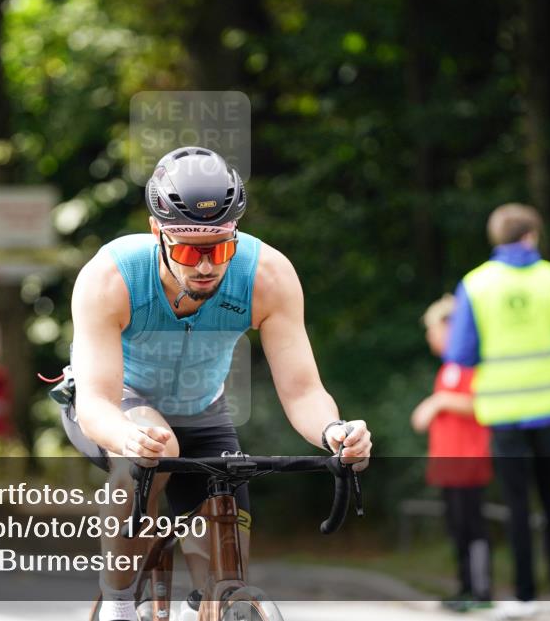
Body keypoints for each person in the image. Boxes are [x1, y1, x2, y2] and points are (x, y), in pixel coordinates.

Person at [60, 146, 372, 621]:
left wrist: (335, 432)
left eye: (221, 248)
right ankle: (117, 602)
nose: (206, 266)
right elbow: (96, 403)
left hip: (203, 412)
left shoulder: (267, 276)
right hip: (118, 407)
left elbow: (304, 392)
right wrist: (129, 438)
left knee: (223, 564)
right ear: (156, 231)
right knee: (155, 447)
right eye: (188, 250)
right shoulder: (111, 278)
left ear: (236, 234)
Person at [444, 203, 550, 620]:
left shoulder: (475, 284)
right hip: (549, 408)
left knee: (516, 505)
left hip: (503, 411)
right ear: (531, 235)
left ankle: (525, 596)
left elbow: (459, 353)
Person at [411, 294, 493, 612]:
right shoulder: (447, 369)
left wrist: (439, 402)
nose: (429, 337)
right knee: (457, 528)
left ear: (449, 328)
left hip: (469, 460)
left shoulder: (470, 365)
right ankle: (464, 587)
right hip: (448, 464)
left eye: (433, 330)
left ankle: (481, 591)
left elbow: (481, 405)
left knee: (473, 526)